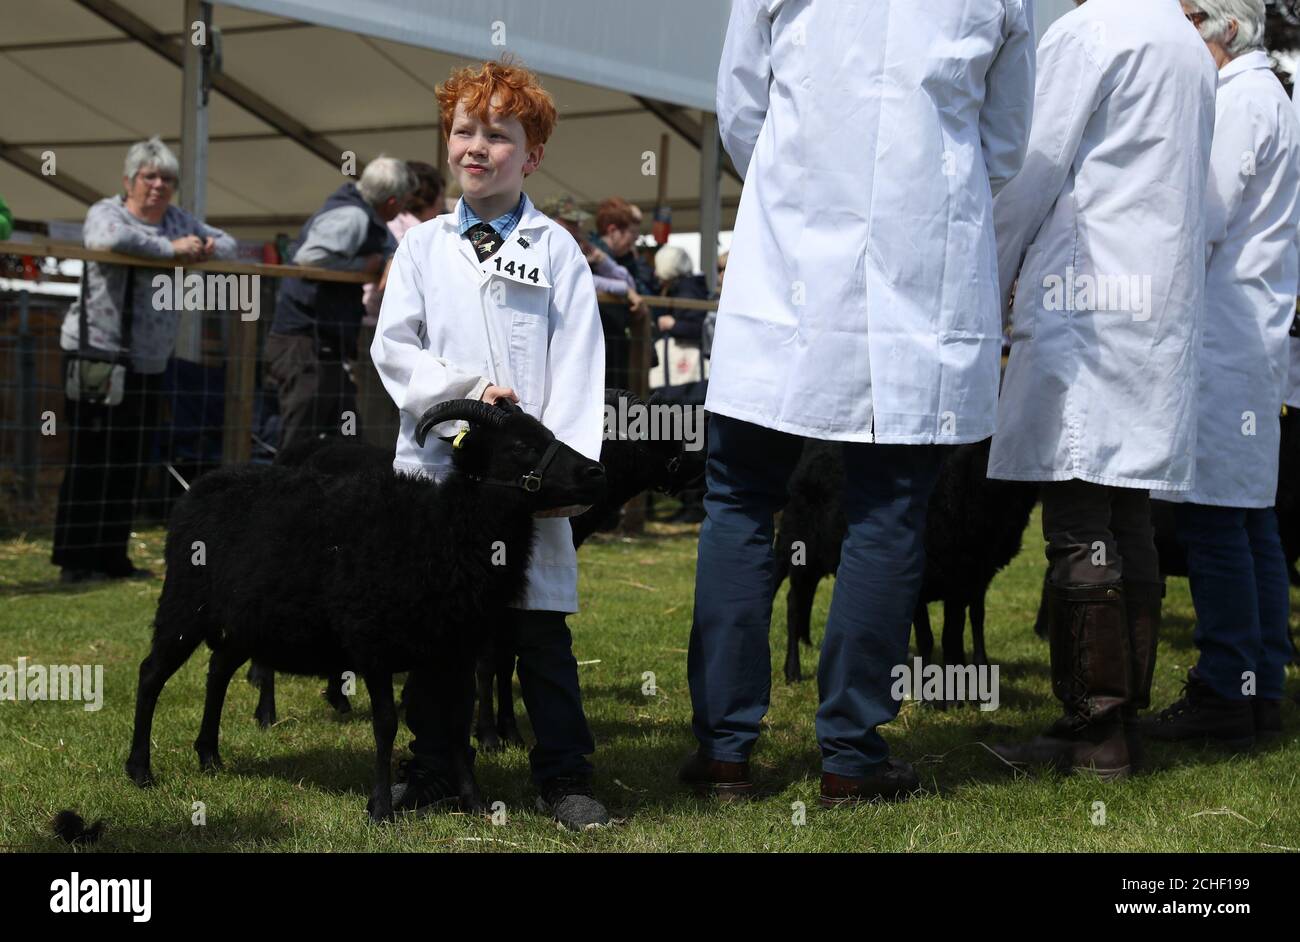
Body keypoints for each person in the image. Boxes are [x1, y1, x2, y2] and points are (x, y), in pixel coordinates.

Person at [682, 0, 1034, 805]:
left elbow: (742, 105)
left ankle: (727, 753)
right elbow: (1005, 144)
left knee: (739, 500)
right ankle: (850, 755)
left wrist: (800, 176)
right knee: (889, 511)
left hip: (791, 263)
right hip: (919, 264)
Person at [371, 60, 609, 831]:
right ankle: (435, 765)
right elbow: (395, 347)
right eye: (464, 130)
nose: (477, 147)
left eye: (498, 135)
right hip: (443, 478)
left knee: (539, 627)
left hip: (525, 485)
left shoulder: (558, 251)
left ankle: (566, 775)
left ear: (532, 155)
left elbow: (578, 363)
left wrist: (558, 467)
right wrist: (467, 389)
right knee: (440, 627)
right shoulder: (422, 249)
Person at [988, 0, 1217, 778]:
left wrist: (984, 282)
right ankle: (1119, 723)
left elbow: (1032, 169)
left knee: (1083, 512)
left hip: (1088, 301)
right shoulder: (1187, 45)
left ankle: (1095, 732)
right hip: (1156, 306)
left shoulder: (1091, 31)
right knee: (1129, 514)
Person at [1142, 0, 1300, 748]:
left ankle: (1226, 688)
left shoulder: (1240, 103)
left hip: (1224, 344)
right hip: (1249, 345)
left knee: (1212, 521)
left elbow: (1199, 215)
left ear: (1226, 28)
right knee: (1250, 520)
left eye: (1192, 16)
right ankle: (1259, 687)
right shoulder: (1270, 97)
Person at [52, 136, 237, 583]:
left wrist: (201, 248)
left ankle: (113, 559)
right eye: (149, 177)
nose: (158, 186)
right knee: (91, 459)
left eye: (167, 179)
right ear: (129, 181)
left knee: (131, 462)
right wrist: (171, 250)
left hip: (150, 362)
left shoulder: (177, 219)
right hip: (98, 355)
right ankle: (75, 562)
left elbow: (228, 245)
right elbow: (106, 239)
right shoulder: (107, 212)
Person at [266, 156, 414, 449]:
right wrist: (363, 264)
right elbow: (309, 258)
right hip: (304, 342)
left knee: (343, 434)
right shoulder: (353, 216)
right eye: (403, 203)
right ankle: (282, 488)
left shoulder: (361, 212)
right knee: (300, 436)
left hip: (322, 343)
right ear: (393, 201)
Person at [362, 161, 447, 324]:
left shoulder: (389, 222)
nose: (443, 203)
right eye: (442, 195)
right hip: (391, 317)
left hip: (375, 312)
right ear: (431, 196)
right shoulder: (419, 234)